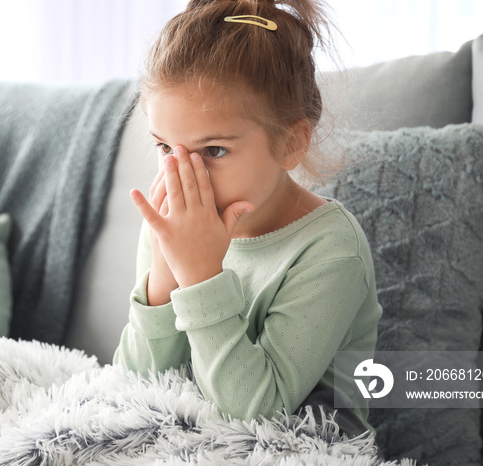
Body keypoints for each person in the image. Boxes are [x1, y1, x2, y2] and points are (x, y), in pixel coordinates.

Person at [113, 0, 382, 437]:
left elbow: (259, 415)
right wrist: (163, 281)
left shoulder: (332, 248)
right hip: (188, 435)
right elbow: (129, 385)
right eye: (165, 148)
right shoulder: (169, 225)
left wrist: (199, 278)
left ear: (291, 143)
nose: (184, 176)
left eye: (214, 151)